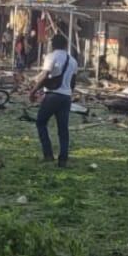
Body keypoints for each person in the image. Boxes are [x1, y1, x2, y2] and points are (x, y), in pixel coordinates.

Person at [29, 33, 77, 167]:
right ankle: (63, 159)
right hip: (66, 97)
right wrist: (67, 92)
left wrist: (33, 91)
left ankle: (48, 155)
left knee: (41, 123)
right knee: (63, 130)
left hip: (52, 96)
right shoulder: (73, 60)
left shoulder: (51, 56)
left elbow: (44, 75)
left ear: (53, 44)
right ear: (65, 45)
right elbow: (73, 82)